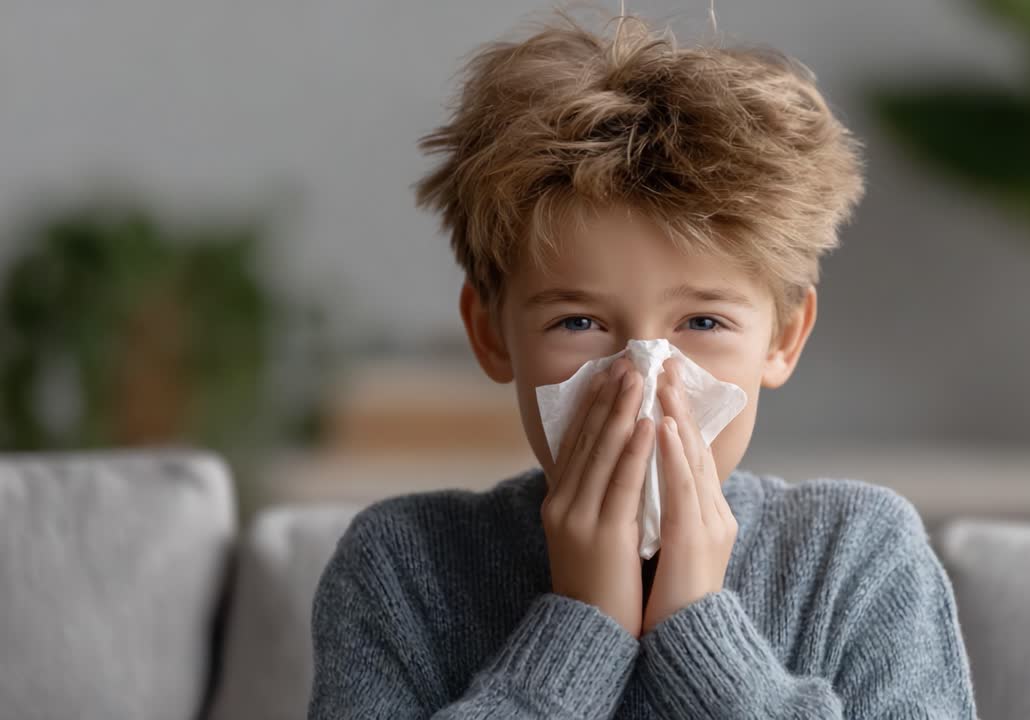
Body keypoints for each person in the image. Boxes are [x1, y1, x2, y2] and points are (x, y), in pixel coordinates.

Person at [308, 6, 976, 719]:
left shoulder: (858, 557)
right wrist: (581, 625)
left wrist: (699, 631)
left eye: (703, 322)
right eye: (579, 321)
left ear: (783, 337)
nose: (645, 380)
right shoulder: (403, 568)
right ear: (493, 334)